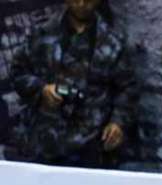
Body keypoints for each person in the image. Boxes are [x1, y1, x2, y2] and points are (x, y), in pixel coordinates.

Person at [10, 0, 135, 168]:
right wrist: (41, 89)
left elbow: (128, 88)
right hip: (45, 143)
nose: (82, 4)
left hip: (92, 147)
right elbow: (18, 73)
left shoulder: (113, 42)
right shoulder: (42, 33)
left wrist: (118, 123)